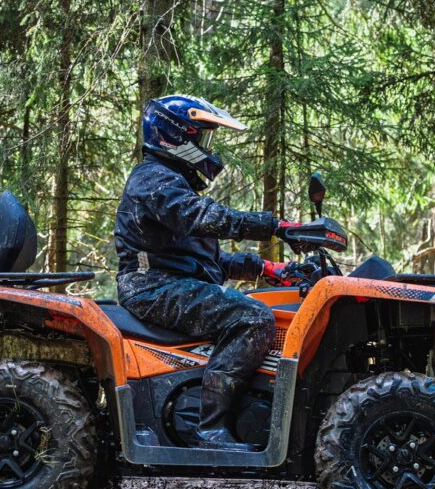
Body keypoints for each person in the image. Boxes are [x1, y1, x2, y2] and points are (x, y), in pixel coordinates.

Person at [115, 94, 300, 451]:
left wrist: (268, 268)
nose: (206, 147)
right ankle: (210, 430)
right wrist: (274, 226)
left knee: (260, 308)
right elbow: (201, 216)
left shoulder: (171, 181)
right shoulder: (152, 179)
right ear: (174, 135)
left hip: (171, 282)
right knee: (253, 318)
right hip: (151, 287)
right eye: (201, 137)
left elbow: (206, 258)